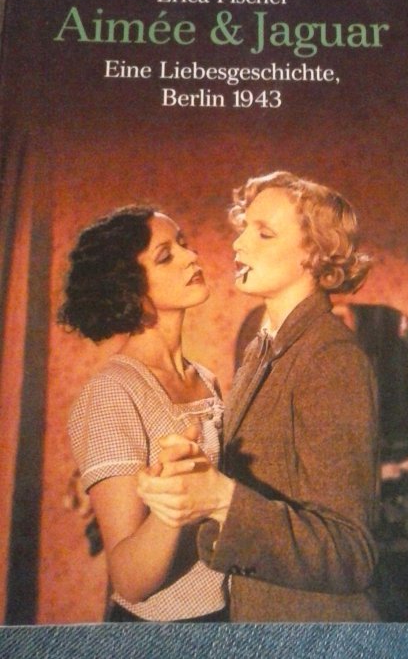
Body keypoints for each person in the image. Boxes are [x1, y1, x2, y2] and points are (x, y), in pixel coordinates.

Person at [138, 171, 380, 622]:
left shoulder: (331, 358)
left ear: (314, 255)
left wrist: (221, 499)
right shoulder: (262, 349)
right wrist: (194, 474)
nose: (238, 244)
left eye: (263, 233)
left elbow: (351, 553)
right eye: (244, 227)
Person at [59, 205, 228, 622]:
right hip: (160, 631)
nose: (192, 257)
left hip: (224, 619)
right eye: (166, 256)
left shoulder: (205, 379)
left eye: (184, 244)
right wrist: (174, 497)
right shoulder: (112, 392)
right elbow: (130, 580)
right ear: (130, 289)